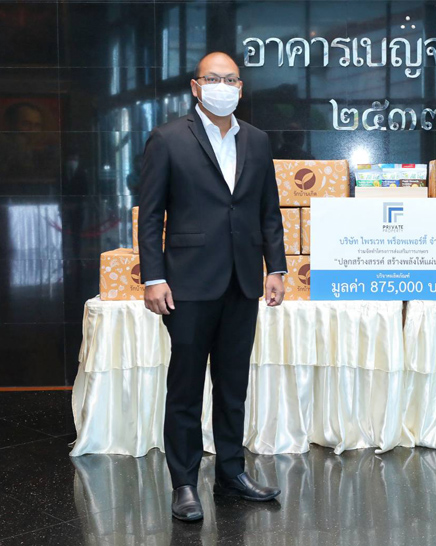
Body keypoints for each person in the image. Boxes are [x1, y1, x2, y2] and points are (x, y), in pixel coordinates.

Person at [138, 52, 287, 522]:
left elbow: (268, 210)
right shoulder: (167, 139)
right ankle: (184, 483)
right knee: (185, 387)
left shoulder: (257, 140)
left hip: (243, 281)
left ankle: (231, 472)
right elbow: (150, 215)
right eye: (213, 78)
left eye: (231, 79)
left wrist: (276, 268)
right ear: (196, 86)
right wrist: (153, 277)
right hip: (188, 283)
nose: (223, 86)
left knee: (233, 386)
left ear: (241, 88)